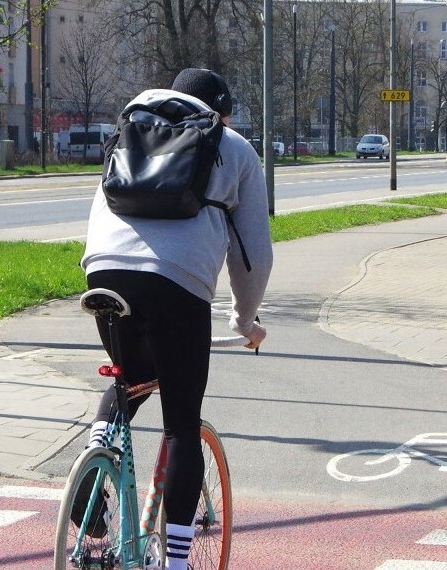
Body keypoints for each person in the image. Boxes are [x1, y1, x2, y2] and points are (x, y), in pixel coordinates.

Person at [79, 67, 272, 570]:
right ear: (221, 114)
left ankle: (93, 464)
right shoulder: (232, 146)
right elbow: (253, 255)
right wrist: (244, 321)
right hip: (176, 284)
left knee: (133, 378)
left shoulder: (131, 126)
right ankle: (178, 562)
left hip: (103, 273)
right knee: (181, 424)